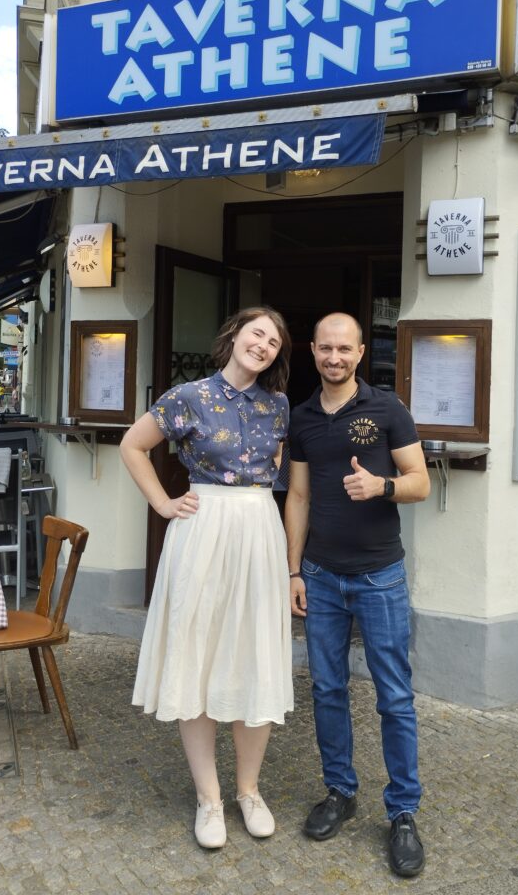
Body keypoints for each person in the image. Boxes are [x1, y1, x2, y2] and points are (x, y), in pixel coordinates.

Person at [121, 307, 293, 850]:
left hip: (258, 530)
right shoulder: (188, 396)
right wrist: (162, 503)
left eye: (273, 342)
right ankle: (209, 799)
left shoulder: (279, 405)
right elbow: (132, 444)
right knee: (197, 653)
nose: (263, 345)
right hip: (202, 530)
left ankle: (248, 791)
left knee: (254, 656)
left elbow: (278, 473)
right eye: (256, 333)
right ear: (234, 336)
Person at [285, 312, 431, 878]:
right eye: (325, 348)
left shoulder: (387, 408)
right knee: (327, 689)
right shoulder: (300, 418)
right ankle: (340, 793)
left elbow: (420, 480)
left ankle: (403, 813)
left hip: (379, 577)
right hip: (320, 577)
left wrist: (382, 486)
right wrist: (292, 571)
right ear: (313, 351)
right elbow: (296, 497)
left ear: (361, 352)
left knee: (394, 696)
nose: (334, 358)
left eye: (344, 349)